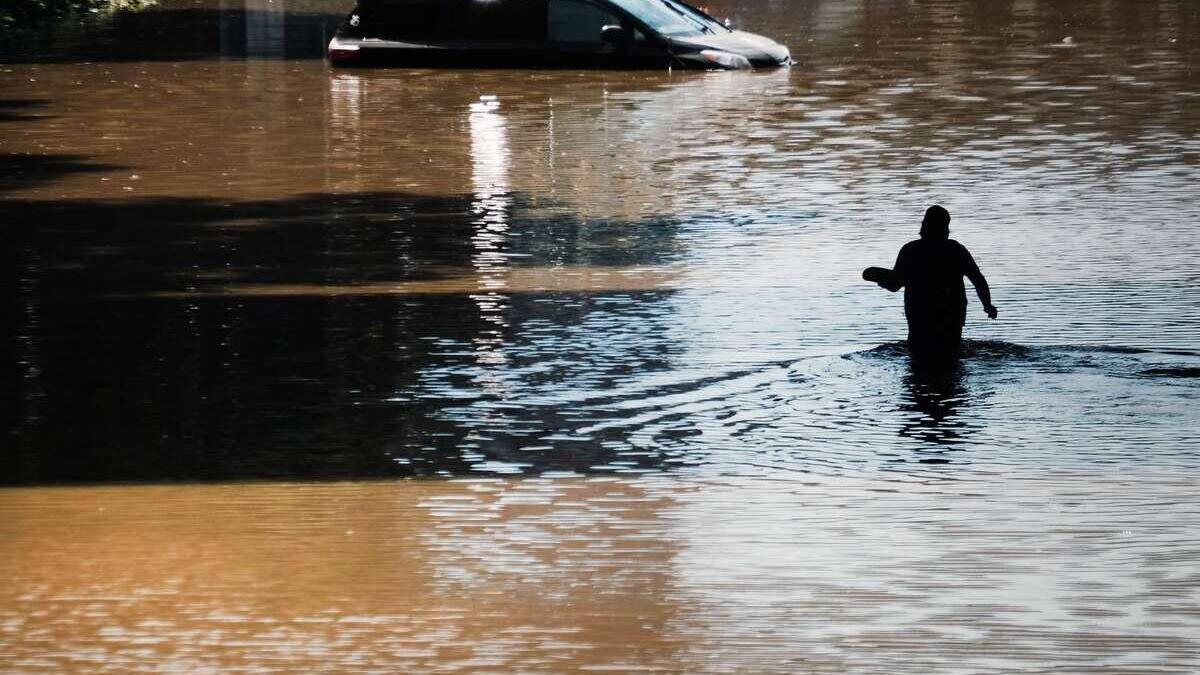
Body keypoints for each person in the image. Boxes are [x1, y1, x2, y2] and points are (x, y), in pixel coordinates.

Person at [866, 205, 998, 362]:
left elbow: (895, 285)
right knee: (952, 357)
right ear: (946, 227)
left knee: (919, 357)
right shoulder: (956, 250)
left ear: (924, 225)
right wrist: (987, 305)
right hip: (952, 314)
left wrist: (878, 277)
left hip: (920, 315)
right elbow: (978, 279)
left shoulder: (911, 250)